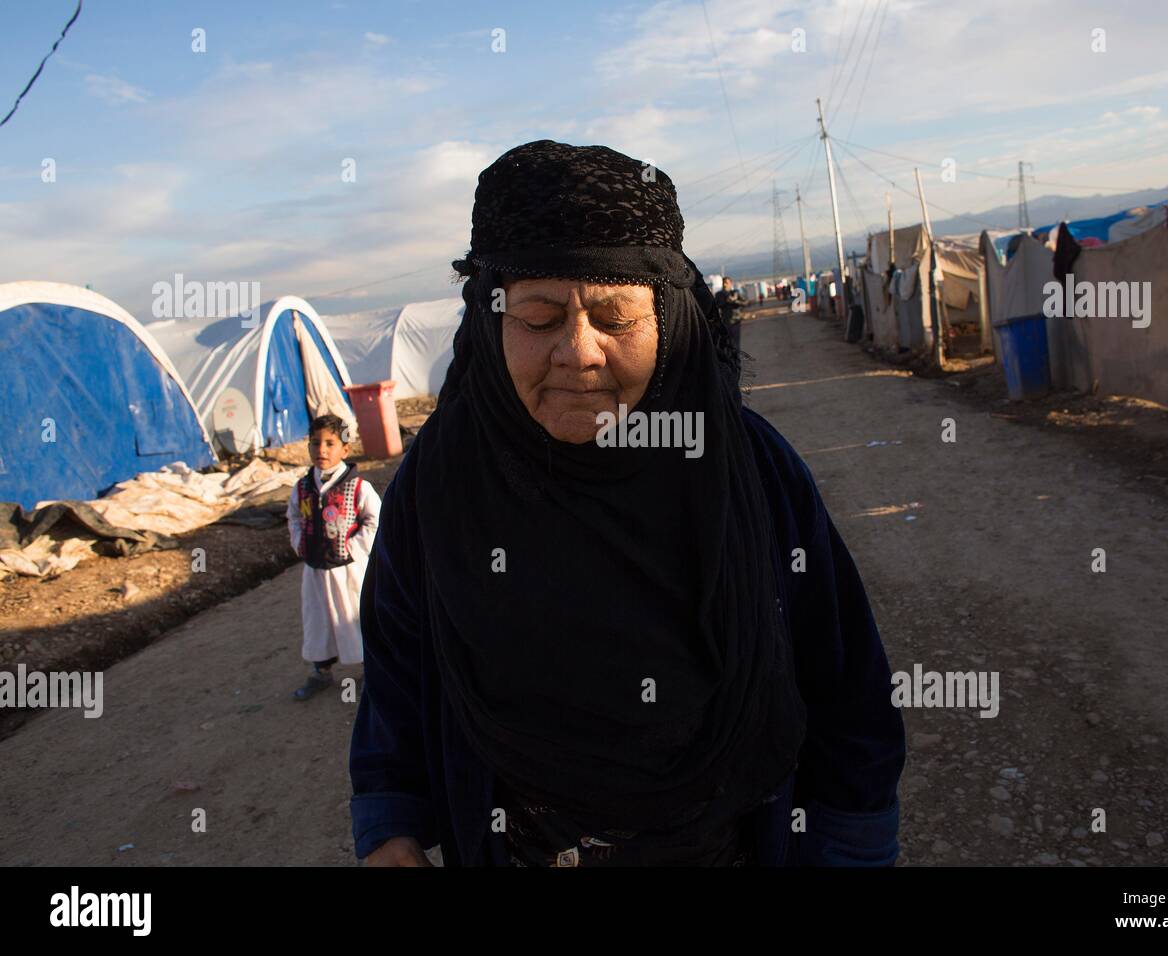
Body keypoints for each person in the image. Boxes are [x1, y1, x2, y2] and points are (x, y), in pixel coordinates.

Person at [349, 140, 905, 867]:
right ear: (489, 323)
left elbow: (845, 688)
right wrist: (390, 825)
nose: (579, 351)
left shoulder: (749, 470)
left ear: (669, 319)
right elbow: (398, 677)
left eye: (615, 318)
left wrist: (852, 849)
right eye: (540, 318)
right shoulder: (438, 484)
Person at [287, 414, 382, 701]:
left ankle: (372, 672)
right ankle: (321, 671)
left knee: (355, 617)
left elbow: (376, 520)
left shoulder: (358, 487)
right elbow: (293, 517)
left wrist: (351, 548)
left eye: (330, 443)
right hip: (315, 569)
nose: (321, 450)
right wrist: (299, 543)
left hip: (348, 571)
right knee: (319, 620)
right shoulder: (302, 488)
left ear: (345, 449)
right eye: (315, 443)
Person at [714, 276, 748, 354]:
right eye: (724, 283)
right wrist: (726, 301)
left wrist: (735, 301)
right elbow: (717, 306)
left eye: (727, 283)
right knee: (727, 344)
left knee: (736, 344)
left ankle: (736, 362)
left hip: (735, 321)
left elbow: (745, 303)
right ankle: (729, 362)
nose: (725, 285)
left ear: (731, 283)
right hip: (725, 322)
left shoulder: (735, 292)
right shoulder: (719, 294)